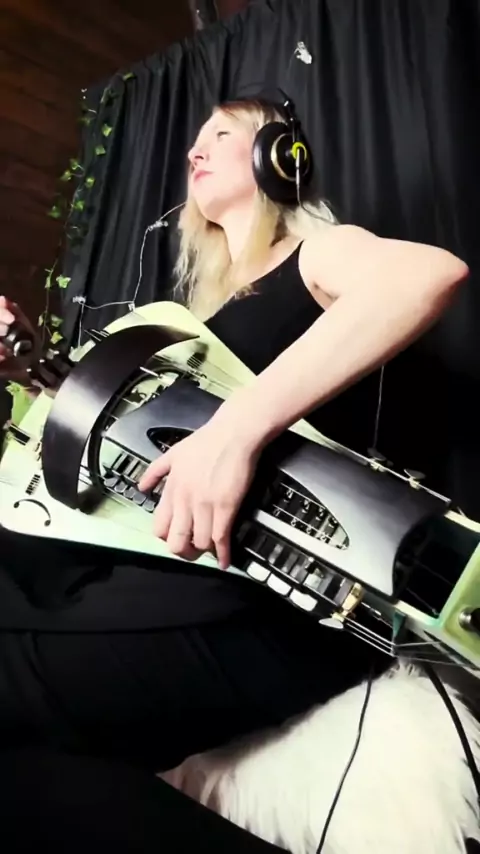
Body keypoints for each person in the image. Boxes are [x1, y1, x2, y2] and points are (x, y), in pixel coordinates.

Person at [0, 98, 470, 851]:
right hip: (160, 570)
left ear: (278, 156)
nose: (195, 152)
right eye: (195, 140)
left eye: (221, 134)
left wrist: (235, 432)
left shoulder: (317, 256)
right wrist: (26, 359)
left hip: (286, 590)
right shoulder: (196, 321)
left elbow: (426, 274)